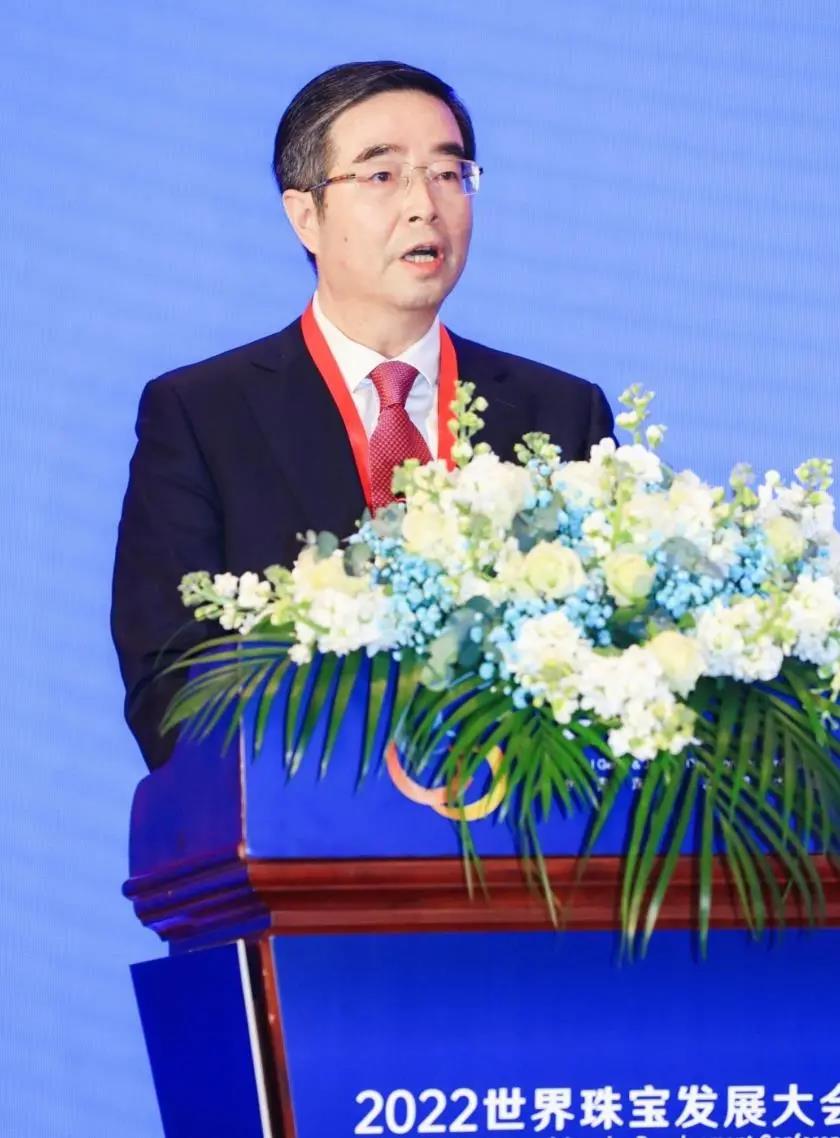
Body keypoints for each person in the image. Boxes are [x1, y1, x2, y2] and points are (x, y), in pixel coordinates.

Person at [111, 60, 615, 771]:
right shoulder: (200, 414)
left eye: (449, 173)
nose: (425, 205)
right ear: (305, 215)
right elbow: (170, 686)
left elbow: (611, 658)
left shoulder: (563, 412)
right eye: (383, 175)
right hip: (304, 820)